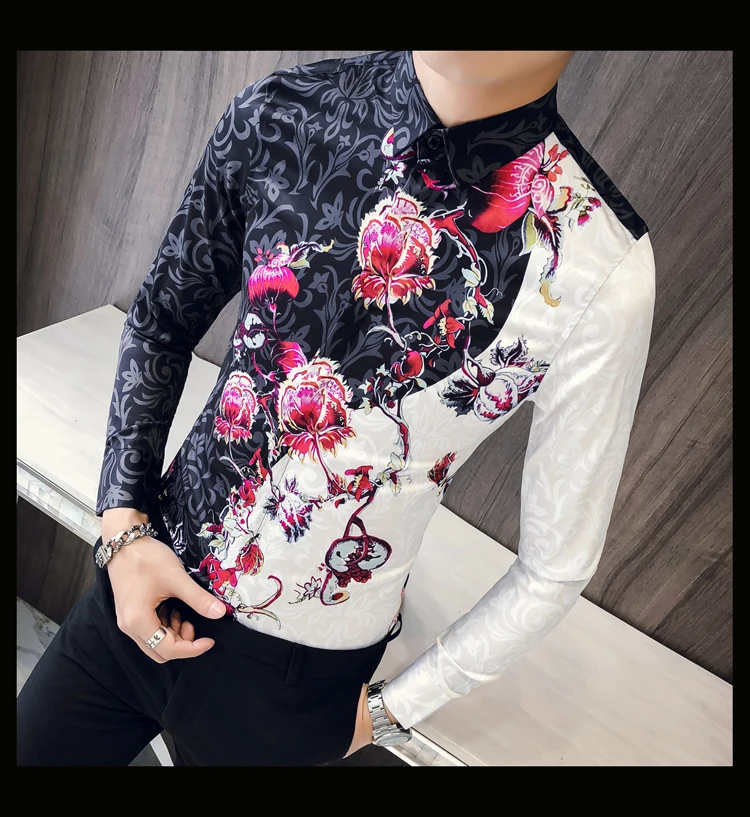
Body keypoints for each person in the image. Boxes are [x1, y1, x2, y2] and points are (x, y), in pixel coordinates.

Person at [17, 50, 655, 766]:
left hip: (295, 686)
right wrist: (121, 525)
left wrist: (391, 710)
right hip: (143, 576)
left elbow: (555, 567)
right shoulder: (283, 110)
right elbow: (162, 319)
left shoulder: (600, 267)